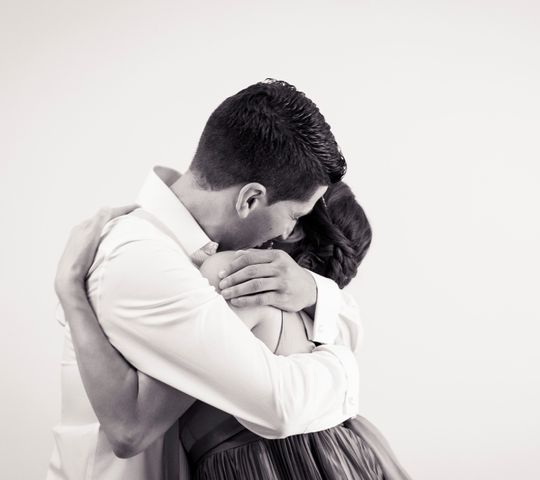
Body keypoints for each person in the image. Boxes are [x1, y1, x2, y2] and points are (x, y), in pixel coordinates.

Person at [47, 80, 364, 479]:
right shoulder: (146, 259)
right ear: (249, 199)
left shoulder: (194, 254)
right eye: (295, 216)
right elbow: (277, 405)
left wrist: (314, 289)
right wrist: (346, 369)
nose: (287, 235)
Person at [56, 182, 411, 479]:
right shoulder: (318, 318)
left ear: (297, 229)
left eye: (293, 214)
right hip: (346, 454)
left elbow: (131, 428)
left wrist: (71, 290)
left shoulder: (233, 279)